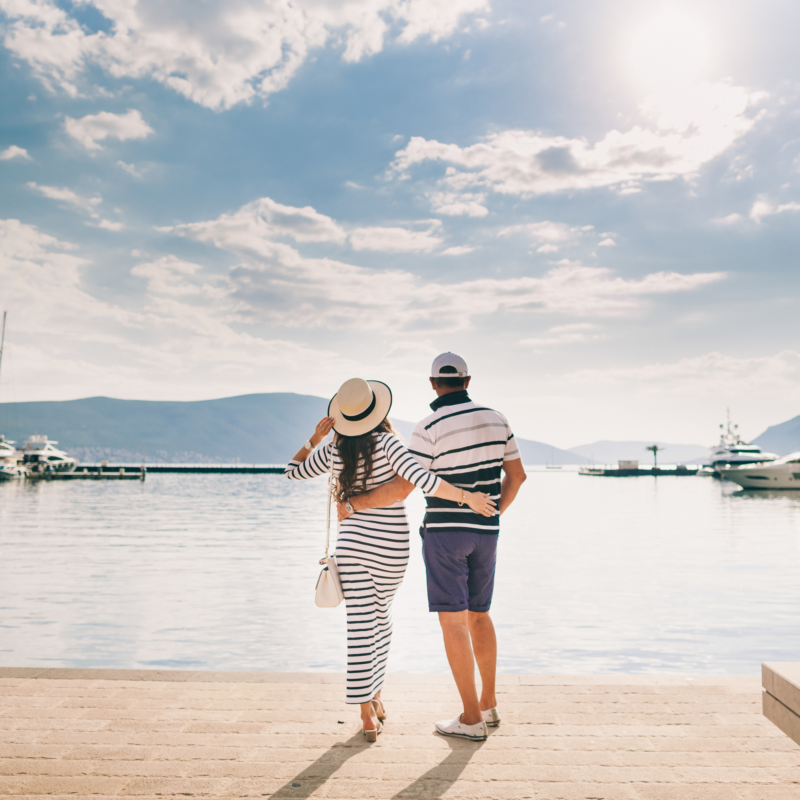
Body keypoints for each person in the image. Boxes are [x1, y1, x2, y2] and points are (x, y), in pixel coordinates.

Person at [285, 377, 496, 742]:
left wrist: (314, 438)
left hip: (351, 546)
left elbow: (292, 471)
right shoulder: (389, 443)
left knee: (359, 627)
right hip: (390, 549)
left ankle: (368, 711)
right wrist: (468, 498)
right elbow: (422, 479)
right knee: (381, 621)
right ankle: (374, 697)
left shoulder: (333, 449)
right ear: (378, 411)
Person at [338, 353, 527, 741]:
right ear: (468, 380)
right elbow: (518, 475)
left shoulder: (428, 426)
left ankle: (471, 719)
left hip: (445, 533)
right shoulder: (497, 418)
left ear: (432, 384)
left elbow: (406, 486)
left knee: (453, 621)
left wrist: (355, 504)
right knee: (480, 615)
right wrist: (493, 514)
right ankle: (489, 704)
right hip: (486, 533)